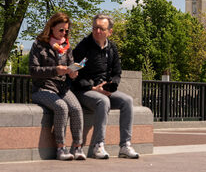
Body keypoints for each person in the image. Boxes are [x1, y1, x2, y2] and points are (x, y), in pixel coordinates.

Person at [72, 14, 139, 159]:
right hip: (85, 91)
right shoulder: (84, 47)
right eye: (95, 28)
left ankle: (125, 146)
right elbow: (73, 71)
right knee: (103, 101)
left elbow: (117, 73)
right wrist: (93, 87)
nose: (97, 31)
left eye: (101, 29)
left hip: (103, 90)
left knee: (127, 101)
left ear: (110, 31)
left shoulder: (112, 48)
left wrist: (110, 87)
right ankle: (98, 145)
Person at [29, 12, 86, 161]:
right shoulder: (39, 45)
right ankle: (61, 148)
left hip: (62, 87)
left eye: (66, 30)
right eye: (61, 30)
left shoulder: (67, 46)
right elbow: (33, 70)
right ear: (51, 28)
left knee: (76, 108)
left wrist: (73, 73)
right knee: (61, 107)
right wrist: (55, 70)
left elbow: (70, 67)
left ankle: (77, 147)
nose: (64, 33)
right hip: (42, 88)